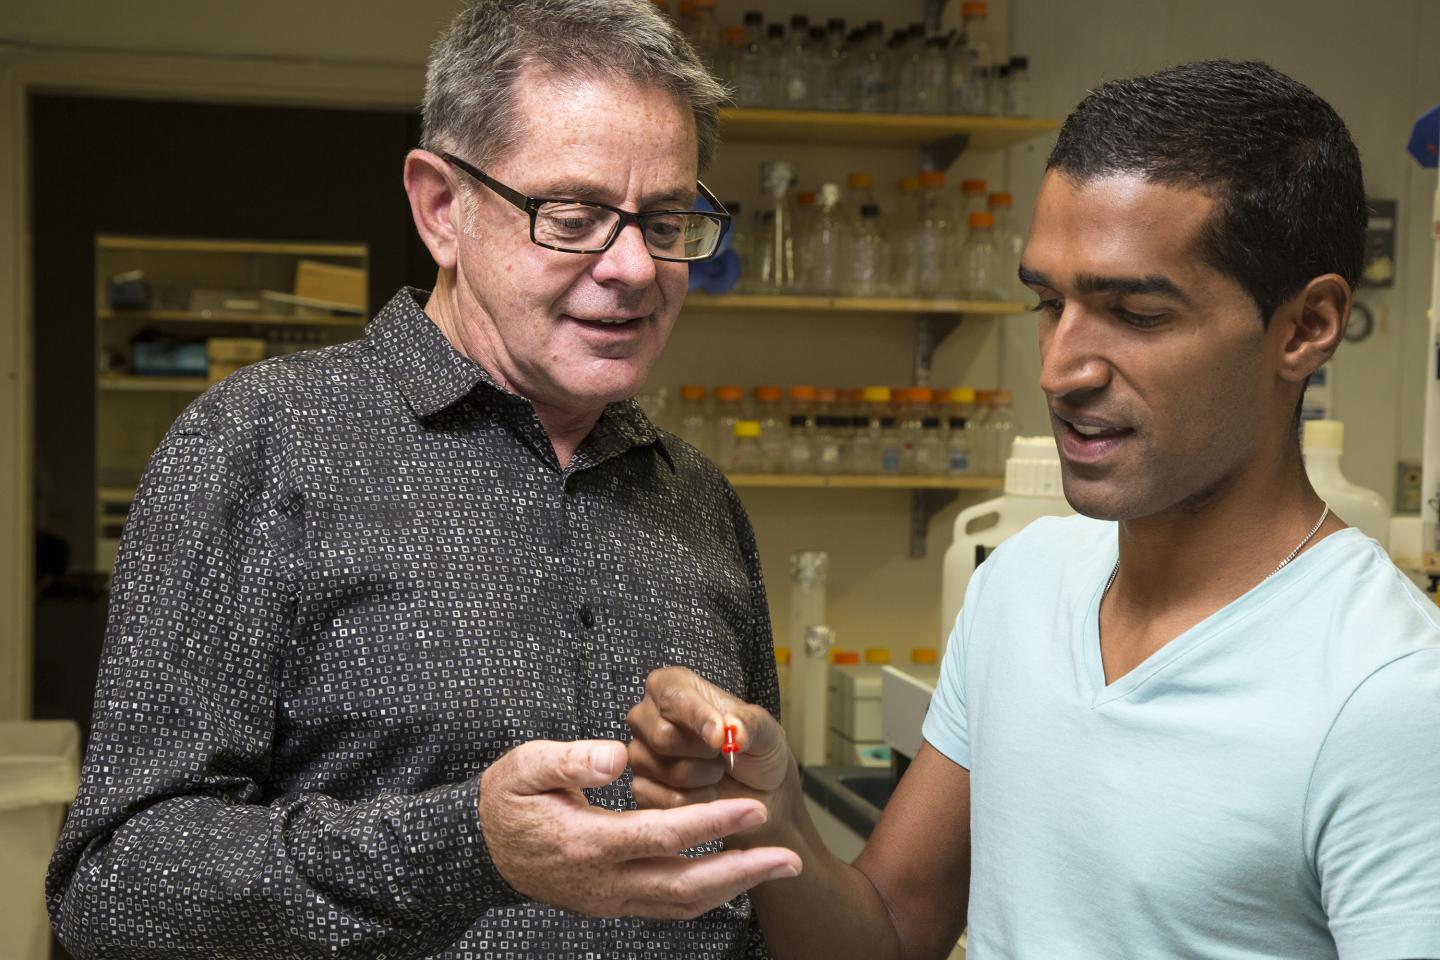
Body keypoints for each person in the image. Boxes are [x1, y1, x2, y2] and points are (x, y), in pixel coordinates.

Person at [627, 60, 1440, 959]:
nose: (1060, 368)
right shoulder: (1023, 584)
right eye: (1049, 303)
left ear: (1305, 328)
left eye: (1134, 313)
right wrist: (773, 811)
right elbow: (889, 935)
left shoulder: (1387, 698)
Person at [46, 1, 800, 957]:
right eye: (573, 215)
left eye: (667, 220)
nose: (634, 267)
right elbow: (115, 888)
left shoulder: (699, 499)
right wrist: (467, 846)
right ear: (444, 208)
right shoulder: (257, 448)